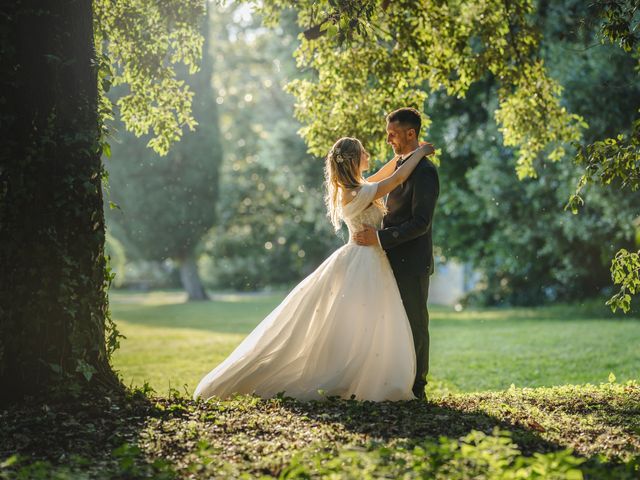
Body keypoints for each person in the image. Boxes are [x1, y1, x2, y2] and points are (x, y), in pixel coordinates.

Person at [193, 136, 435, 402]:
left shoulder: (356, 188)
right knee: (368, 319)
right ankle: (360, 377)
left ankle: (367, 374)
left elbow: (388, 173)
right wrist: (420, 152)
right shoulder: (359, 192)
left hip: (367, 257)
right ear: (355, 159)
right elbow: (397, 179)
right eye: (363, 152)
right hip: (365, 260)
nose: (368, 154)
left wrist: (403, 158)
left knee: (369, 321)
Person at [352, 107, 439, 400]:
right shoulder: (404, 166)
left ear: (410, 133)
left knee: (415, 324)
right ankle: (396, 382)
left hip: (412, 261)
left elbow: (421, 223)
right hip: (388, 260)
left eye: (393, 133)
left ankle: (418, 388)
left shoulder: (425, 171)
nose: (388, 138)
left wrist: (380, 237)